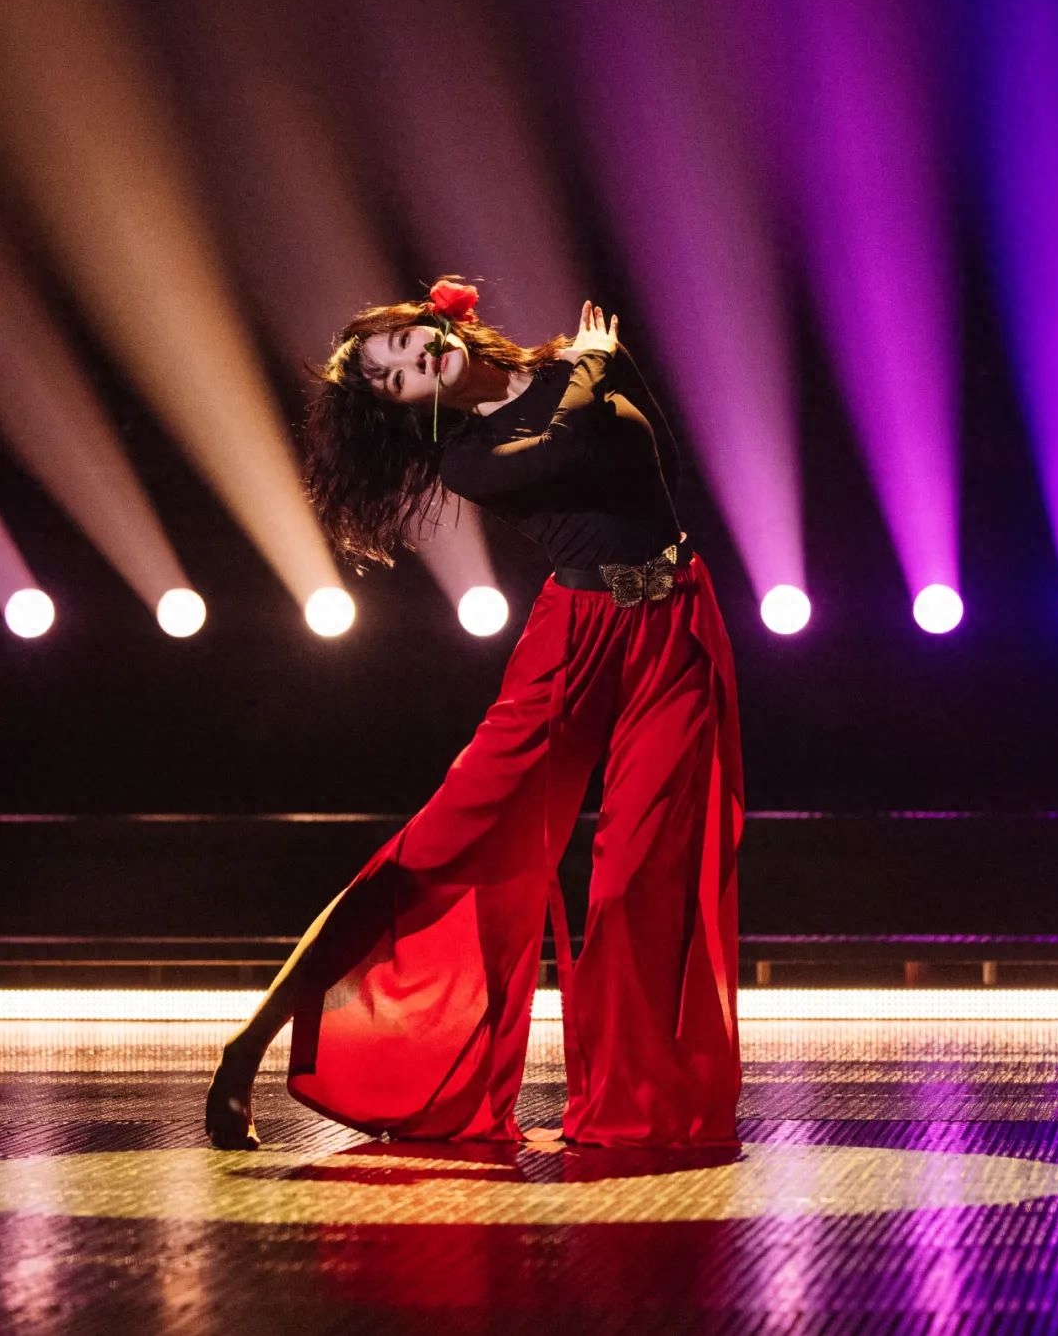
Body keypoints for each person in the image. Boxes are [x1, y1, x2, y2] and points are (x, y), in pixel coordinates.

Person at [205, 276, 745, 1151]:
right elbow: (564, 447)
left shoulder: (572, 368)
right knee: (439, 850)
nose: (413, 361)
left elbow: (663, 470)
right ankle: (250, 1045)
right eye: (393, 378)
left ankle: (636, 1105)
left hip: (675, 622)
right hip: (574, 640)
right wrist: (595, 365)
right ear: (405, 410)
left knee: (645, 872)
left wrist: (594, 368)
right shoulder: (474, 454)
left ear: (433, 324)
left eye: (404, 343)